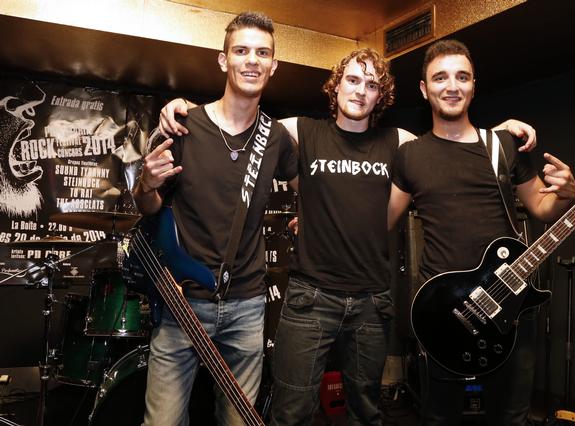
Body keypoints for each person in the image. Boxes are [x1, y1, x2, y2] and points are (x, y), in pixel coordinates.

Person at [159, 48, 537, 425]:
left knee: (366, 414)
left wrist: (499, 133)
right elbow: (238, 118)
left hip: (372, 302)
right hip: (311, 298)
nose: (360, 91)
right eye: (352, 80)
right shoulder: (302, 131)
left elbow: (449, 142)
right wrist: (190, 108)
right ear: (335, 86)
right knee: (291, 414)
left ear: (380, 96)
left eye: (371, 85)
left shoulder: (399, 141)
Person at [387, 39, 575, 425]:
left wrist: (567, 193)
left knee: (511, 417)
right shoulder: (410, 155)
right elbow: (380, 222)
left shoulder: (503, 145)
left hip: (509, 308)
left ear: (474, 85)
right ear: (424, 89)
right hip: (444, 315)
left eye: (462, 77)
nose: (451, 86)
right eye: (440, 77)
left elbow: (542, 207)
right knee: (439, 417)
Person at [133, 12, 297, 426]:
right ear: (223, 60)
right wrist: (146, 185)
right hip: (182, 301)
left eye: (262, 53)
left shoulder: (276, 138)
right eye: (241, 51)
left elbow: (309, 187)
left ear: (273, 66)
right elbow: (147, 208)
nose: (252, 60)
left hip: (247, 303)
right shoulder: (184, 125)